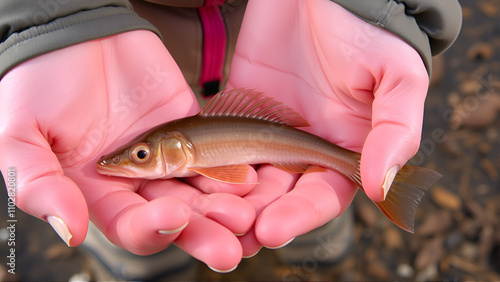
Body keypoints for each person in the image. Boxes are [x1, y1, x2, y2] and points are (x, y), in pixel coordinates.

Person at [0, 0, 462, 279]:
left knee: (303, 207)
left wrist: (373, 7)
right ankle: (148, 264)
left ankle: (318, 239)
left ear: (180, 151)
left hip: (285, 33)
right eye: (140, 154)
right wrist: (46, 22)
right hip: (130, 42)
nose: (134, 160)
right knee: (134, 227)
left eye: (142, 155)